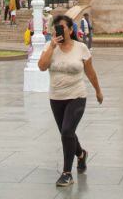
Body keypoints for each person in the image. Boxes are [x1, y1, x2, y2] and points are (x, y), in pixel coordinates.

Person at [37, 14, 103, 188]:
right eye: (55, 28)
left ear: (71, 30)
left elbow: (90, 72)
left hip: (77, 96)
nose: (58, 31)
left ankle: (67, 173)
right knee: (67, 134)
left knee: (67, 131)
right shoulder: (49, 46)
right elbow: (42, 66)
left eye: (62, 28)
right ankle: (81, 154)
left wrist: (98, 91)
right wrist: (52, 45)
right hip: (56, 97)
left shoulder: (81, 48)